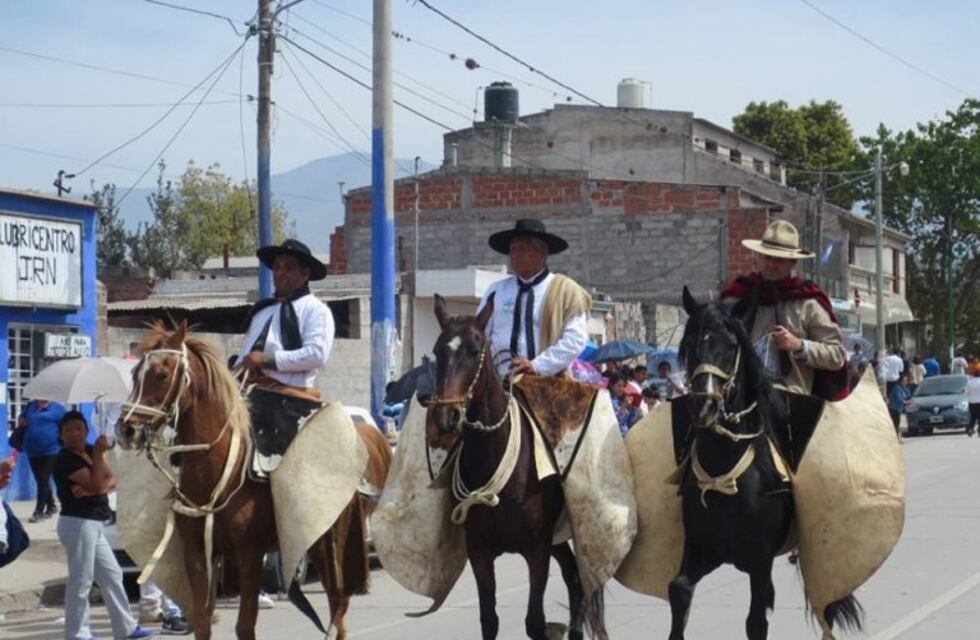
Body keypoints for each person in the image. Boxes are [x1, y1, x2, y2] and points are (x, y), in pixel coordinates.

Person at [53, 410, 153, 640]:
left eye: (78, 428)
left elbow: (111, 479)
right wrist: (98, 460)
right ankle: (77, 634)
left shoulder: (89, 451)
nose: (74, 433)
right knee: (81, 580)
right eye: (68, 430)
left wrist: (96, 486)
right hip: (78, 523)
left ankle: (125, 628)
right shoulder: (65, 460)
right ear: (61, 435)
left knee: (112, 574)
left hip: (95, 522)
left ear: (86, 431)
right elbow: (97, 483)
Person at [720, 220, 847, 397]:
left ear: (792, 262)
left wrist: (799, 345)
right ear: (759, 257)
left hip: (790, 399)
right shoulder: (738, 297)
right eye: (767, 257)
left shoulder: (808, 303)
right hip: (740, 395)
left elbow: (837, 355)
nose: (771, 264)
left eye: (779, 260)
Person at [477, 219, 591, 377]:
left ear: (542, 254)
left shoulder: (566, 291)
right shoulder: (496, 290)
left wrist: (537, 365)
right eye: (512, 249)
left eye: (522, 249)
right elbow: (480, 334)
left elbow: (575, 339)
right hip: (499, 379)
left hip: (547, 380)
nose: (515, 255)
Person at [236, 238, 334, 398]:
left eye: (288, 267)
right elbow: (246, 355)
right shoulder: (262, 311)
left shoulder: (316, 310)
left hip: (289, 396)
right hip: (248, 390)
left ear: (305, 273)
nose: (280, 273)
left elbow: (317, 354)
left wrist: (266, 359)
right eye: (276, 267)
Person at [18, 399, 66, 522]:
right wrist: (21, 420)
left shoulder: (58, 409)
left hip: (52, 450)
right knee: (40, 479)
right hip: (32, 450)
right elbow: (22, 417)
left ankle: (39, 511)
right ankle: (51, 506)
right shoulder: (30, 406)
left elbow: (66, 426)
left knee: (43, 479)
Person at [887, 374, 911, 439]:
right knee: (896, 424)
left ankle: (898, 437)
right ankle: (896, 438)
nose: (905, 382)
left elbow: (908, 396)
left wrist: (909, 400)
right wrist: (907, 402)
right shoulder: (897, 389)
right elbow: (899, 400)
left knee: (899, 425)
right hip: (894, 409)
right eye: (904, 380)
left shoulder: (905, 389)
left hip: (900, 409)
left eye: (906, 380)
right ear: (900, 381)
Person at [967, 368, 980, 438]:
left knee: (973, 417)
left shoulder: (969, 382)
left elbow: (966, 392)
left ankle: (970, 428)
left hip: (972, 402)